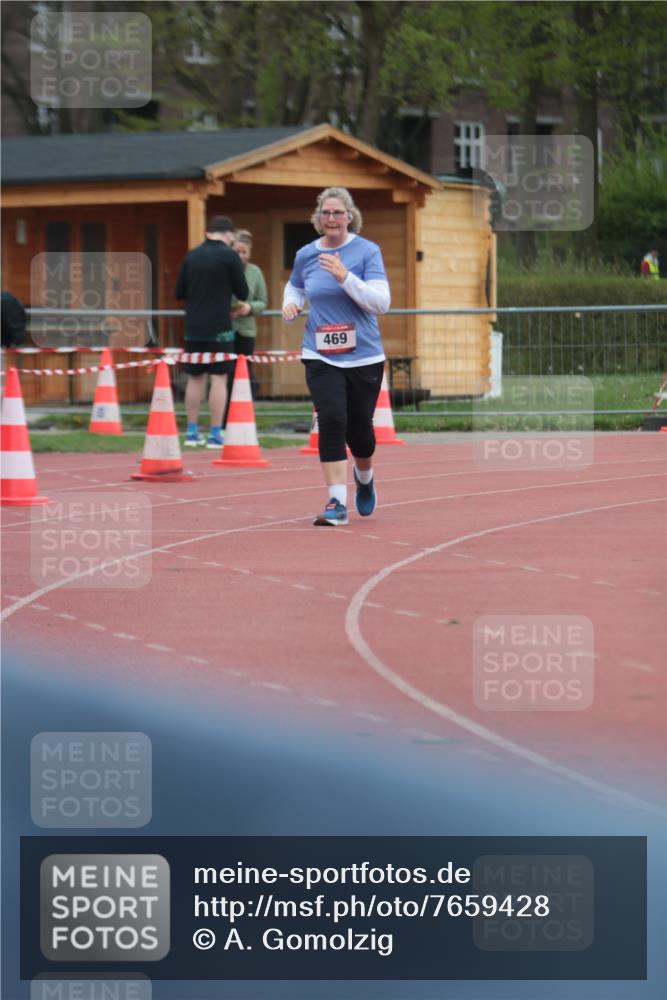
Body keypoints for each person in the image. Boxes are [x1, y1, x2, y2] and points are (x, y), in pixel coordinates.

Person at [282, 187, 390, 526]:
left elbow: (380, 303)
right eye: (326, 213)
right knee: (331, 419)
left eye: (338, 213)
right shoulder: (305, 255)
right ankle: (336, 502)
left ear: (349, 216)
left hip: (363, 356)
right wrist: (293, 302)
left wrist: (346, 278)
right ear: (318, 218)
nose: (331, 218)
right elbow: (296, 285)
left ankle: (365, 478)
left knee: (360, 431)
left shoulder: (367, 251)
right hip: (320, 353)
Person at [175, 216, 249, 448]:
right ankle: (216, 433)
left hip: (193, 328)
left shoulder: (192, 254)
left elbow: (180, 291)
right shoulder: (229, 256)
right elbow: (243, 291)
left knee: (195, 377)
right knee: (218, 378)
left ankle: (191, 431)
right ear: (228, 234)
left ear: (208, 232)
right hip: (220, 328)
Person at [230, 229, 268, 400]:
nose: (240, 256)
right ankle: (223, 419)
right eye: (236, 252)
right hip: (225, 329)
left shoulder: (255, 272)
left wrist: (249, 307)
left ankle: (246, 412)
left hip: (246, 331)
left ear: (249, 253)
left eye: (244, 252)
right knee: (225, 373)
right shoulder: (223, 269)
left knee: (245, 372)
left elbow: (263, 301)